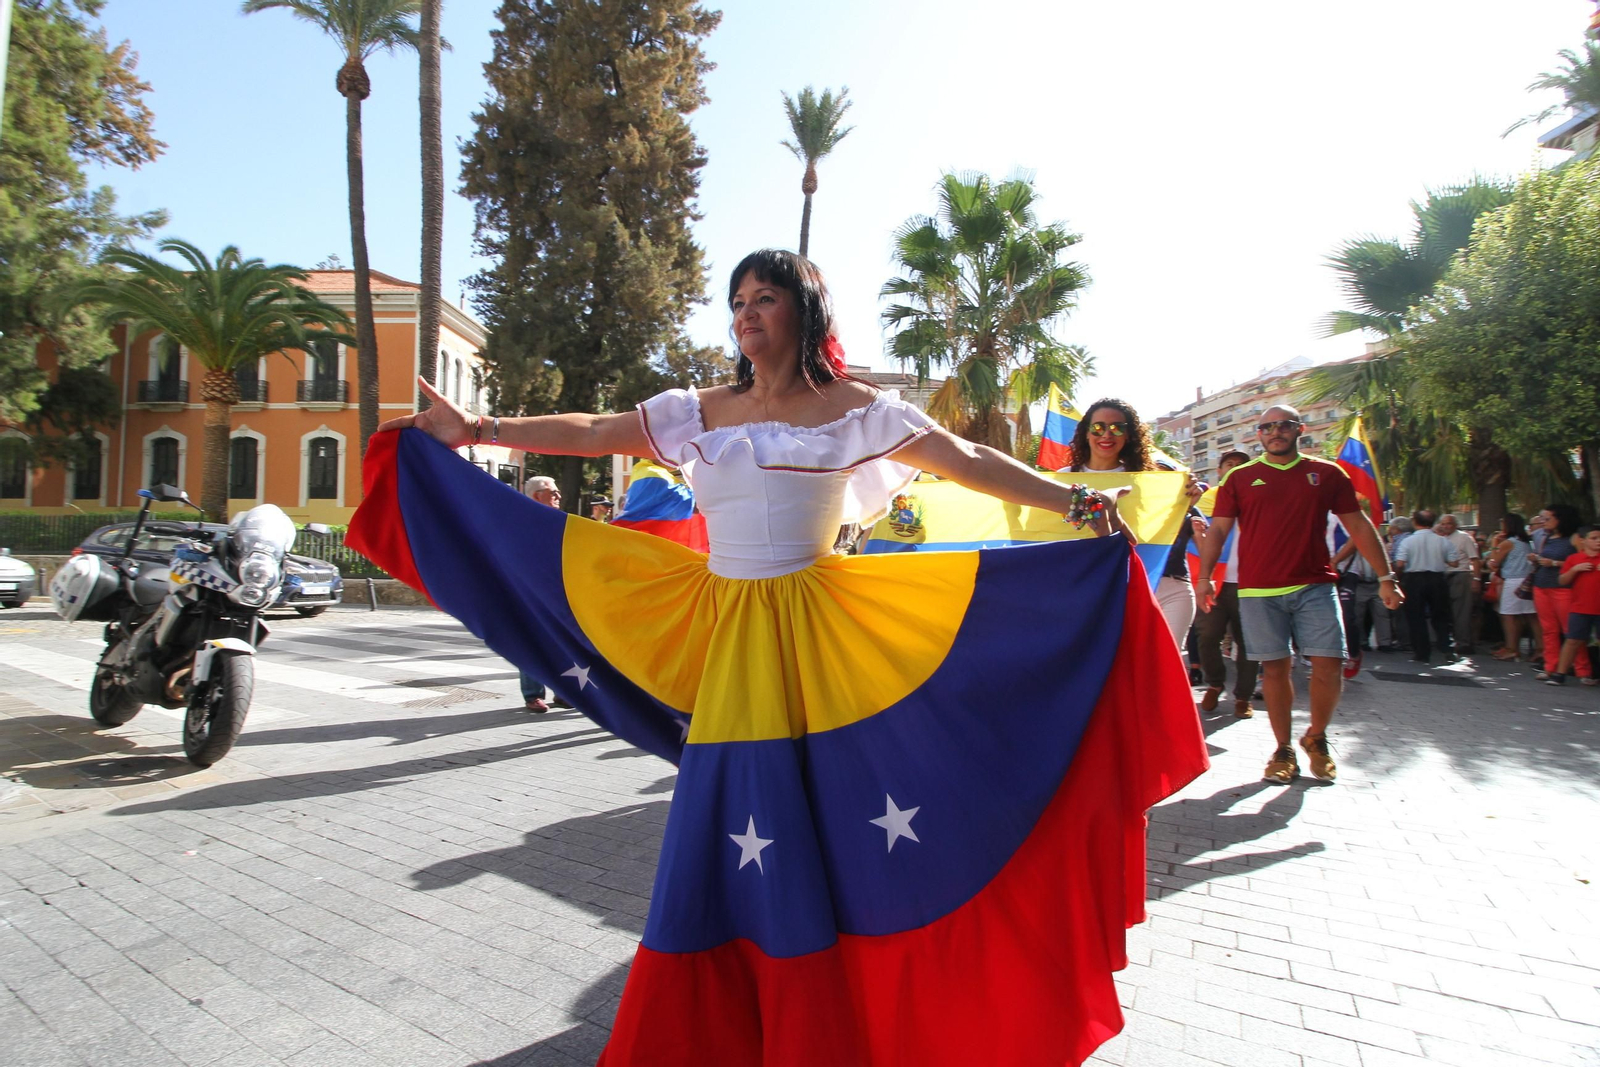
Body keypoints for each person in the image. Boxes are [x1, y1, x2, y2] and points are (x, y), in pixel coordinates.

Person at [351, 249, 1206, 1066]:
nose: (747, 314)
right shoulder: (696, 411)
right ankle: (726, 1007)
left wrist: (1077, 501)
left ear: (804, 311)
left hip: (820, 631)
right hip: (727, 629)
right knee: (725, 812)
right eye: (738, 302)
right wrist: (480, 429)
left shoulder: (858, 412)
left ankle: (833, 1000)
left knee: (831, 812)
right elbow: (597, 429)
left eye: (765, 298)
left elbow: (970, 458)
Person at [1194, 405, 1401, 785]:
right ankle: (1283, 749)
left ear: (1298, 429)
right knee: (1275, 670)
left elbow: (1358, 524)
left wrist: (1387, 576)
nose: (1275, 432)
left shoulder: (1326, 473)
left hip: (1315, 585)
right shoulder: (1239, 478)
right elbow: (1219, 531)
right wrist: (1206, 577)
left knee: (1329, 665)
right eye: (1267, 427)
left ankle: (1316, 737)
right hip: (1257, 590)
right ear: (1258, 434)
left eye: (1283, 425)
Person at [1059, 397, 1206, 657]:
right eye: (1098, 427)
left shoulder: (1151, 481)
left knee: (1159, 665)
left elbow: (1159, 530)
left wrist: (1184, 499)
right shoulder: (1061, 477)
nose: (1107, 434)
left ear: (1129, 435)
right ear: (1086, 432)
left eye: (1117, 428)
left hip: (1153, 582)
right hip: (1090, 587)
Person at [1195, 450, 1258, 718]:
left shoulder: (1258, 500)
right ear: (1219, 471)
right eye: (1228, 465)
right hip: (1214, 582)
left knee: (1248, 643)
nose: (1234, 469)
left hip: (1251, 583)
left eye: (1240, 466)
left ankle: (1243, 697)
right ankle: (1215, 684)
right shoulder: (1205, 503)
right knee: (1207, 636)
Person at [518, 476, 569, 713]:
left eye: (558, 492)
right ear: (537, 495)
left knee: (562, 641)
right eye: (553, 492)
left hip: (557, 590)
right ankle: (533, 695)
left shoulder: (559, 519)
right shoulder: (521, 519)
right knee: (532, 643)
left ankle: (563, 692)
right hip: (529, 590)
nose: (558, 496)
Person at [1531, 504, 1591, 682]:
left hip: (1563, 588)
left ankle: (1583, 670)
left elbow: (1584, 559)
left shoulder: (1574, 538)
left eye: (1548, 518)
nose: (1544, 522)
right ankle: (1551, 667)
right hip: (1541, 585)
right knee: (1549, 629)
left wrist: (1555, 564)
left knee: (1572, 631)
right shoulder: (1547, 537)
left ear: (1560, 519)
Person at [1393, 509, 1461, 663]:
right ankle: (1447, 648)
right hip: (1437, 578)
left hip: (1414, 579)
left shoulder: (1407, 541)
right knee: (1442, 615)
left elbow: (1400, 563)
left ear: (1415, 522)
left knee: (1416, 617)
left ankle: (1421, 652)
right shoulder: (1443, 541)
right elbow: (1454, 562)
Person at [1549, 526, 1600, 685]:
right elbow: (1562, 581)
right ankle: (1560, 674)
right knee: (1572, 640)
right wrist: (1575, 570)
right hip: (1580, 607)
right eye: (1594, 538)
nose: (1598, 541)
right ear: (1582, 540)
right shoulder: (1574, 559)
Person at [1486, 513, 1540, 661]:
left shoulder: (1507, 543)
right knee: (1531, 615)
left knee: (1508, 615)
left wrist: (1494, 544)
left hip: (1513, 580)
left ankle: (1511, 648)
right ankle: (1541, 648)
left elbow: (1493, 562)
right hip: (1527, 579)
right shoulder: (1526, 541)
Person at [1436, 514, 1481, 655]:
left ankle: (1464, 643)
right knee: (1446, 612)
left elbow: (1475, 559)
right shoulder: (1440, 539)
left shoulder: (1464, 537)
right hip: (1443, 576)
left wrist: (1476, 579)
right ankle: (1450, 640)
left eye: (1448, 523)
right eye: (1442, 524)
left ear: (1455, 524)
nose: (1445, 526)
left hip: (1460, 575)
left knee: (1461, 611)